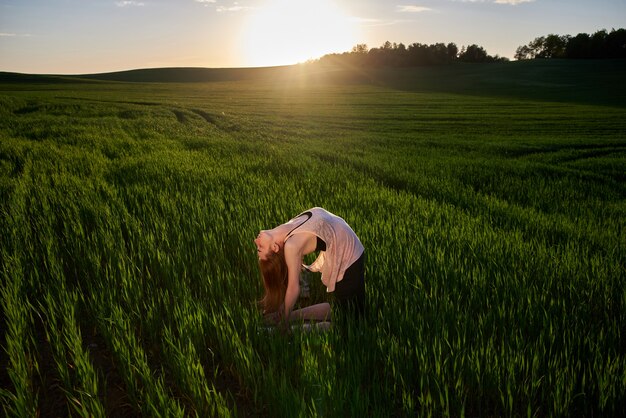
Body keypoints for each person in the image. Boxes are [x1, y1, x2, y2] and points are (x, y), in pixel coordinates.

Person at [254, 207, 365, 329]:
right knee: (349, 325)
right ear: (274, 247)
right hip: (349, 253)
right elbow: (293, 287)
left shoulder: (286, 228)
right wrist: (284, 320)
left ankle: (288, 318)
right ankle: (284, 329)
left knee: (351, 314)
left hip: (348, 248)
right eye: (260, 247)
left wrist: (285, 310)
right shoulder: (291, 244)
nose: (256, 241)